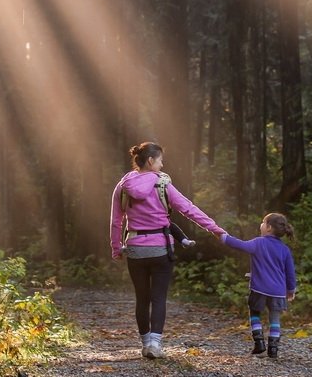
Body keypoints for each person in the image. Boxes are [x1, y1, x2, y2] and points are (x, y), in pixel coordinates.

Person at [110, 142, 225, 359]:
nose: (162, 165)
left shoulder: (123, 185)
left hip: (135, 248)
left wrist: (116, 248)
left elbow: (116, 221)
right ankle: (155, 344)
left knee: (142, 298)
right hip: (161, 248)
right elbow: (189, 209)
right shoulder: (162, 184)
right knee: (159, 297)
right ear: (151, 161)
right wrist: (215, 229)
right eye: (161, 160)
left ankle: (145, 345)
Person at [219, 212, 297, 359]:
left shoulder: (258, 243)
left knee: (254, 313)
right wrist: (291, 290)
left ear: (268, 227)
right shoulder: (285, 249)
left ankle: (259, 342)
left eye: (263, 222)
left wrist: (223, 237)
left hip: (259, 289)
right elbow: (290, 272)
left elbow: (240, 245)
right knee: (275, 318)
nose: (260, 224)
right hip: (278, 292)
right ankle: (273, 349)